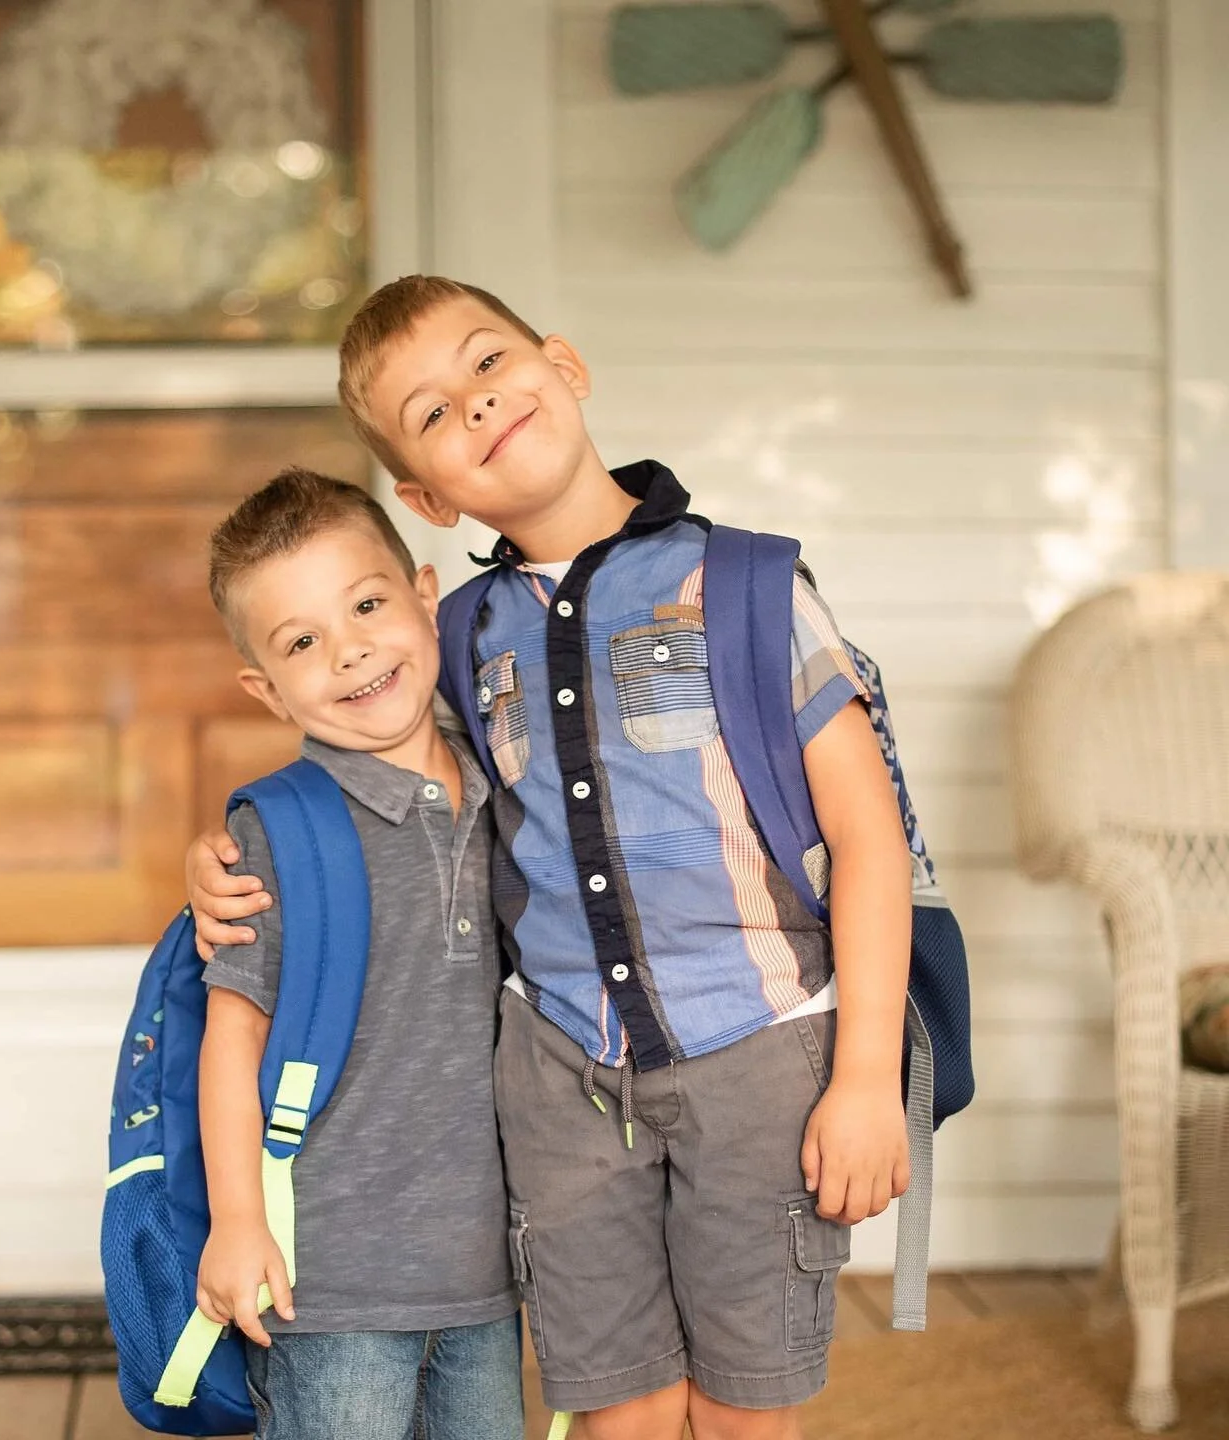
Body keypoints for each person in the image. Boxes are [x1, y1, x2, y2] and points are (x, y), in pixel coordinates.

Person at [190, 278, 913, 1440]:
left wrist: (867, 1075)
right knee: (620, 1413)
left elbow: (868, 836)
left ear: (564, 365)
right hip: (566, 1085)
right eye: (431, 415)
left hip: (758, 1052)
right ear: (427, 500)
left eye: (487, 367)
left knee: (741, 1414)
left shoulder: (743, 586)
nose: (475, 407)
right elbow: (384, 778)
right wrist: (214, 853)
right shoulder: (461, 633)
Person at [196, 466, 522, 1440]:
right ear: (266, 688)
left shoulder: (510, 775)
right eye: (303, 643)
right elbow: (230, 1044)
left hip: (485, 1280)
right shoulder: (277, 832)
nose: (350, 652)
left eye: (368, 605)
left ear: (425, 597)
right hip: (326, 1283)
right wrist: (237, 1223)